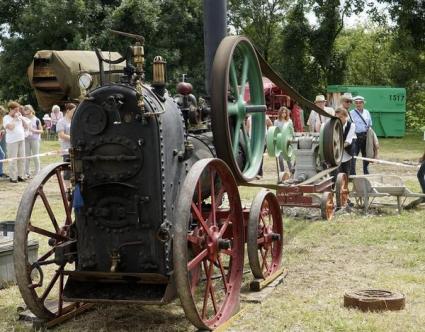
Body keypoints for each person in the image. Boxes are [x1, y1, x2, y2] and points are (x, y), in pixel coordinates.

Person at [3, 101, 30, 183]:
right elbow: (10, 127)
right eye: (15, 110)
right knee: (13, 160)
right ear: (10, 109)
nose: (17, 112)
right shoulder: (6, 118)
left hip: (21, 139)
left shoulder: (19, 116)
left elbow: (26, 126)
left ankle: (21, 175)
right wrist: (14, 119)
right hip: (12, 141)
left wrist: (22, 119)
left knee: (22, 158)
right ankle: (13, 177)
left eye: (18, 110)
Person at [350, 96, 372, 175]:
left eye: (360, 102)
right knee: (354, 156)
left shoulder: (367, 112)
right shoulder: (351, 113)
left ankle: (366, 172)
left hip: (365, 136)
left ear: (363, 103)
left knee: (365, 155)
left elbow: (370, 125)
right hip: (355, 137)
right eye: (356, 103)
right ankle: (352, 174)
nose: (358, 104)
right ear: (354, 104)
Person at [56, 103, 76, 189]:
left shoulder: (75, 120)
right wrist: (73, 138)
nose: (75, 113)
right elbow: (61, 135)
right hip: (66, 149)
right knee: (67, 168)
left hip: (75, 148)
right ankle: (68, 188)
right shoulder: (61, 122)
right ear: (68, 111)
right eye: (73, 111)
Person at [334, 107, 356, 177]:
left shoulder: (351, 126)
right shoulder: (334, 125)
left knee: (346, 174)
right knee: (337, 175)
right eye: (337, 118)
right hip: (336, 155)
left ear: (346, 116)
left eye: (340, 117)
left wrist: (336, 147)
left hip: (347, 153)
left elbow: (348, 141)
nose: (338, 119)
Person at [23, 104, 43, 178]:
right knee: (27, 156)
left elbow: (41, 131)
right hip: (26, 139)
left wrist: (33, 130)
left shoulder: (37, 119)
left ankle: (37, 171)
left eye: (27, 109)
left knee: (36, 155)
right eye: (24, 110)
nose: (25, 111)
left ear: (31, 110)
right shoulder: (23, 119)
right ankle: (26, 172)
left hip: (35, 139)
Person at [274, 106, 293, 172]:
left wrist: (291, 139)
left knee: (288, 158)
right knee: (280, 159)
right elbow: (275, 131)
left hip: (287, 141)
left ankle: (291, 171)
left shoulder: (289, 121)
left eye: (285, 112)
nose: (284, 114)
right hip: (279, 141)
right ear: (280, 113)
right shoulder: (276, 121)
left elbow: (291, 131)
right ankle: (282, 173)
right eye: (282, 112)